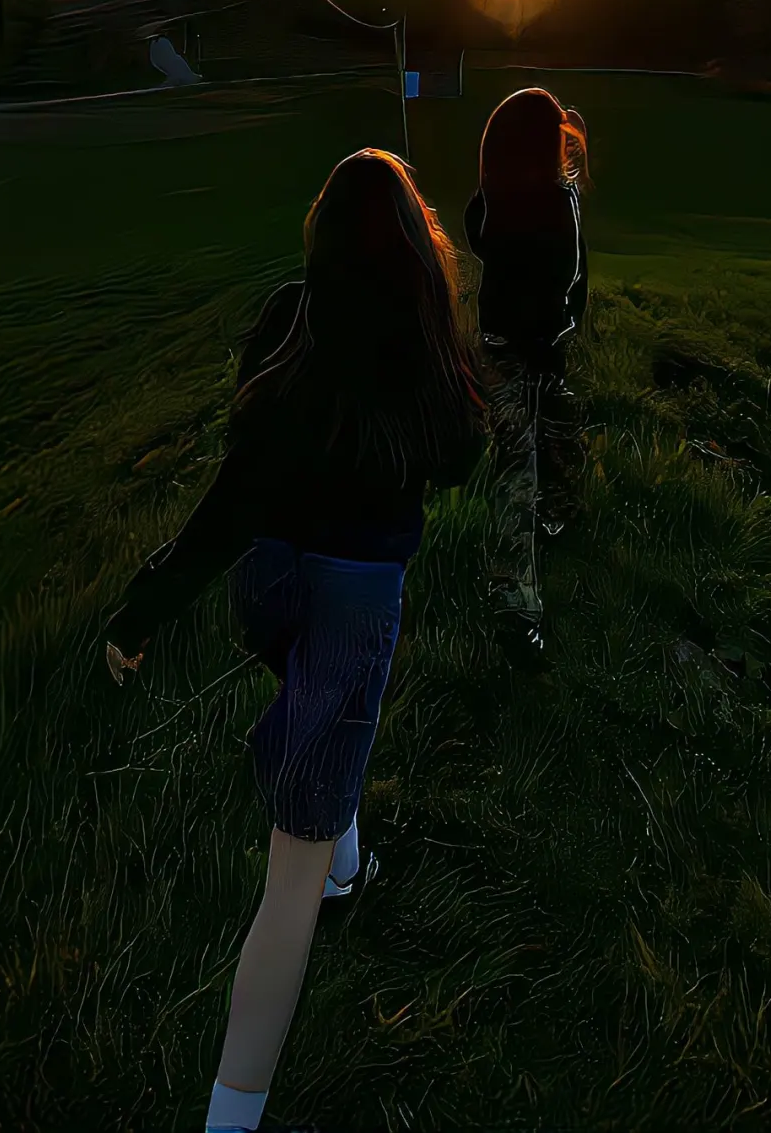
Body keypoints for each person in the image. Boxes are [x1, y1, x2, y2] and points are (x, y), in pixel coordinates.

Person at [104, 149, 486, 1133]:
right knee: (290, 882)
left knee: (322, 709)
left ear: (317, 240)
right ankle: (230, 1118)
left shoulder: (287, 317)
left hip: (264, 584)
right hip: (354, 598)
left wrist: (147, 605)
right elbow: (459, 454)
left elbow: (236, 489)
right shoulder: (423, 333)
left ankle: (344, 842)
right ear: (413, 248)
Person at [463, 89, 591, 657]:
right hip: (531, 346)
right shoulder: (554, 205)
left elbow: (486, 242)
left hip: (506, 345)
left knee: (539, 449)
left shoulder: (491, 203)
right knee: (523, 465)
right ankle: (515, 606)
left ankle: (555, 519)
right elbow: (569, 272)